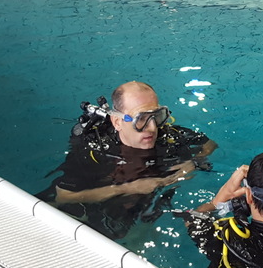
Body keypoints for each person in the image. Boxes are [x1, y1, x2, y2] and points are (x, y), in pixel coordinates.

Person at [40, 81, 217, 239]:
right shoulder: (95, 150)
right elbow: (63, 196)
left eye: (156, 116)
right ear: (117, 122)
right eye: (141, 119)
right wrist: (129, 188)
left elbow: (209, 145)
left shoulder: (168, 137)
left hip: (143, 201)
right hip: (97, 196)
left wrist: (194, 163)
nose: (152, 128)